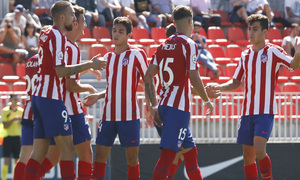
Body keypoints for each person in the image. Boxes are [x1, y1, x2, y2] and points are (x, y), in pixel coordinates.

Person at [207, 14, 300, 180]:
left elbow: (293, 64)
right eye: (249, 29)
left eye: (255, 29)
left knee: (259, 149)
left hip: (265, 110)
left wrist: (298, 53)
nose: (251, 33)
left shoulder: (273, 51)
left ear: (265, 31)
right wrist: (218, 87)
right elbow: (235, 82)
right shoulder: (245, 55)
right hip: (247, 111)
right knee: (247, 155)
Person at [22, 1, 106, 179]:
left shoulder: (45, 33)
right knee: (67, 151)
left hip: (38, 97)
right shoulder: (60, 38)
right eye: (72, 15)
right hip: (52, 100)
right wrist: (89, 64)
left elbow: (52, 65)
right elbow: (61, 72)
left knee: (39, 154)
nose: (74, 19)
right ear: (62, 17)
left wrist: (85, 68)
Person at [144, 5, 213, 180]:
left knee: (190, 155)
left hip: (164, 107)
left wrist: (153, 105)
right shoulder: (189, 44)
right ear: (190, 22)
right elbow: (194, 77)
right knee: (168, 157)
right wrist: (206, 100)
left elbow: (147, 76)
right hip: (178, 110)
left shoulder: (163, 44)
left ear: (174, 22)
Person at [83, 16, 149, 180]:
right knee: (99, 158)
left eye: (121, 31)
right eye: (114, 30)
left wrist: (150, 107)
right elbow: (114, 87)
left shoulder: (137, 54)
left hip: (129, 116)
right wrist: (98, 96)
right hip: (108, 117)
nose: (116, 34)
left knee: (132, 160)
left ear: (129, 35)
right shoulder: (108, 58)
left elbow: (149, 82)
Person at [64, 5, 102, 179]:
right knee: (85, 154)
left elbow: (64, 73)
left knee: (54, 155)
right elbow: (70, 86)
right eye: (83, 20)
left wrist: (87, 70)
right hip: (70, 109)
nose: (86, 24)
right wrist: (90, 88)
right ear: (75, 22)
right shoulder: (71, 47)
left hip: (58, 108)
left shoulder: (62, 45)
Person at [13, 55, 60, 180]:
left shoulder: (31, 60)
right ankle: (36, 176)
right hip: (43, 110)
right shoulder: (50, 59)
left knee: (24, 156)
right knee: (55, 153)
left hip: (29, 109)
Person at [1, 94, 24, 180]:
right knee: (6, 161)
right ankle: (3, 179)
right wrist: (13, 120)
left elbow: (25, 123)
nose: (16, 102)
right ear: (10, 100)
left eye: (17, 100)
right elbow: (5, 125)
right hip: (8, 138)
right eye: (14, 99)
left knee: (16, 161)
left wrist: (21, 122)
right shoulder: (5, 111)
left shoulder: (21, 111)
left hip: (17, 138)